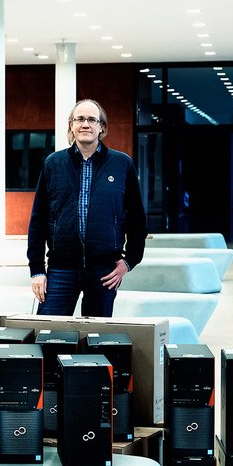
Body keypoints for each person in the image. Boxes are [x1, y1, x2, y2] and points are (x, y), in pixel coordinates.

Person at [27, 98, 147, 316]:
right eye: (80, 119)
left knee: (96, 341)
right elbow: (38, 219)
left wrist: (129, 261)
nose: (86, 124)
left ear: (102, 127)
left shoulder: (122, 164)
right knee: (48, 336)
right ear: (72, 125)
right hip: (60, 268)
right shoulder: (53, 164)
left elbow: (137, 219)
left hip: (104, 270)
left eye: (92, 119)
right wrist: (36, 270)